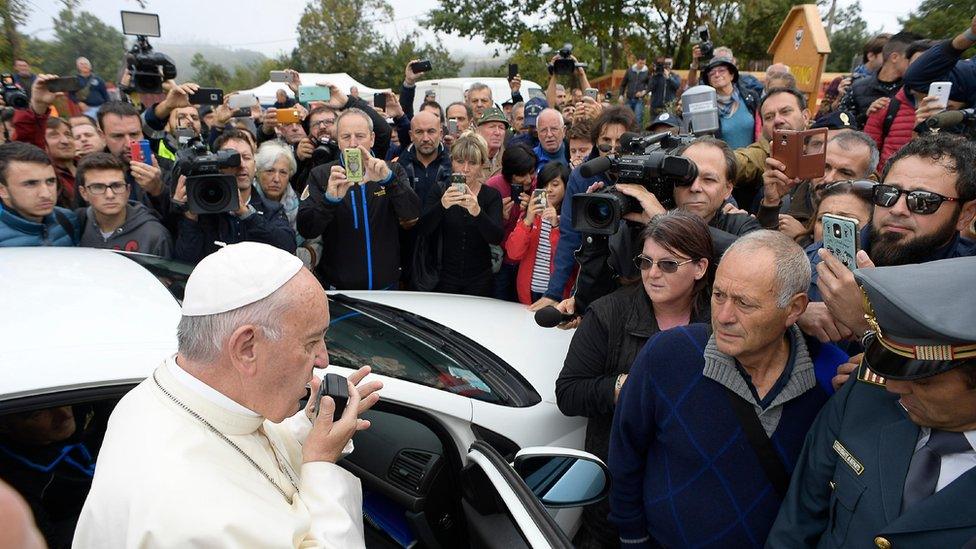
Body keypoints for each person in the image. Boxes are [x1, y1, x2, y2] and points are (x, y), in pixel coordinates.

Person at [73, 242, 383, 548]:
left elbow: (241, 445)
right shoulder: (192, 516)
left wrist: (309, 431)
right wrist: (322, 465)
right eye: (311, 341)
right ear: (247, 348)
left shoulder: (171, 392)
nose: (323, 360)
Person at [608, 230, 848, 548]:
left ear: (794, 309)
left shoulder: (831, 381)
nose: (723, 316)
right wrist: (632, 538)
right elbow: (625, 451)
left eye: (744, 304)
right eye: (719, 295)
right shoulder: (668, 354)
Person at [767, 256, 976, 547]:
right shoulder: (865, 395)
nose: (892, 386)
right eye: (893, 369)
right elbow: (796, 524)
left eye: (923, 380)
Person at [558, 211, 713, 548]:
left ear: (700, 268)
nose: (653, 274)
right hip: (615, 499)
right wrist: (623, 387)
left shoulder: (719, 321)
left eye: (668, 265)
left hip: (687, 494)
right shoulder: (608, 313)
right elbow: (569, 392)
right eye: (645, 262)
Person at [802, 133, 976, 343]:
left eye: (922, 201)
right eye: (888, 193)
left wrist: (867, 326)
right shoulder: (815, 260)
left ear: (965, 214)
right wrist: (796, 315)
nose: (897, 209)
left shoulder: (968, 289)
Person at [297, 108, 420, 290]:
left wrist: (388, 181)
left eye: (360, 136)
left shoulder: (392, 170)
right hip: (340, 290)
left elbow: (413, 213)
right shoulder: (322, 175)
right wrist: (329, 200)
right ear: (338, 141)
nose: (353, 143)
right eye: (346, 137)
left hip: (386, 287)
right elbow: (306, 229)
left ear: (372, 138)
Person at [538, 106, 636, 310]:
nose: (613, 147)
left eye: (620, 141)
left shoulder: (646, 174)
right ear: (596, 142)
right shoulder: (582, 176)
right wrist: (553, 293)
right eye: (606, 141)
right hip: (594, 276)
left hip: (635, 276)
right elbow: (569, 238)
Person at [173, 129, 297, 263]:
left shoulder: (272, 210)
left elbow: (288, 247)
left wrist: (246, 214)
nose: (241, 165)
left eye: (247, 157)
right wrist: (190, 217)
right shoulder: (202, 211)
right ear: (217, 166)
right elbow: (185, 261)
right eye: (231, 158)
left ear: (255, 166)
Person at [0, 404, 102, 549]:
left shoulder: (78, 406)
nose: (64, 414)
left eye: (64, 401)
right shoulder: (19, 487)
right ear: (3, 426)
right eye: (38, 414)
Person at [416, 132, 503, 296]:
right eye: (460, 161)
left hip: (480, 278)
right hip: (443, 277)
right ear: (452, 162)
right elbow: (422, 230)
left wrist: (477, 212)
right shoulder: (439, 189)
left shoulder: (491, 195)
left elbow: (496, 238)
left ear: (482, 164)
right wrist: (442, 205)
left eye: (472, 163)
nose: (465, 169)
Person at [759, 129, 877, 240]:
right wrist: (771, 204)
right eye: (825, 167)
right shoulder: (787, 201)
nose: (829, 179)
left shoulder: (876, 221)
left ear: (868, 180)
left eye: (844, 173)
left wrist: (803, 239)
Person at [76, 152, 172, 257]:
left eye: (117, 186)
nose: (110, 195)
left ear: (128, 190)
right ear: (83, 193)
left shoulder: (154, 235)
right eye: (98, 187)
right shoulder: (78, 223)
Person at [732, 87, 811, 209]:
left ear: (805, 116)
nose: (778, 120)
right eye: (769, 117)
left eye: (785, 111)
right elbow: (740, 160)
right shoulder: (762, 152)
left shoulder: (826, 144)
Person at [504, 160, 570, 305]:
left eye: (555, 184)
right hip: (528, 293)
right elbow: (513, 253)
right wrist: (527, 220)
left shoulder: (570, 218)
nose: (549, 190)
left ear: (566, 186)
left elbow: (566, 256)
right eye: (544, 185)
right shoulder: (529, 216)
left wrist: (555, 225)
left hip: (557, 295)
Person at [254, 141, 323, 269]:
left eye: (283, 172)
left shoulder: (302, 203)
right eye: (269, 171)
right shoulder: (247, 203)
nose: (276, 179)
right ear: (257, 172)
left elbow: (316, 243)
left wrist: (296, 259)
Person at [13, 74, 80, 207]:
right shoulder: (44, 174)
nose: (65, 140)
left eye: (68, 134)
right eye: (54, 135)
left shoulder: (89, 166)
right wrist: (38, 105)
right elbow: (27, 142)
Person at [0, 141, 77, 247]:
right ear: (2, 190)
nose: (46, 194)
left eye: (50, 181)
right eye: (31, 184)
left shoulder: (67, 219)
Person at [839, 31, 922, 127]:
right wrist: (867, 116)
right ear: (894, 57)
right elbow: (841, 126)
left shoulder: (914, 91)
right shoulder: (857, 87)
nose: (917, 64)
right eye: (912, 58)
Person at [702, 55, 760, 150]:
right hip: (725, 162)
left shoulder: (750, 98)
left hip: (751, 160)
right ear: (709, 81)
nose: (717, 75)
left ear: (732, 75)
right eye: (712, 73)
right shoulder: (706, 106)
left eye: (721, 71)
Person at [396, 111, 452, 205]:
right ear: (411, 135)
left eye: (431, 131)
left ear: (441, 134)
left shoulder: (453, 163)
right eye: (419, 132)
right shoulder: (400, 166)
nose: (426, 138)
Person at [618, 54, 651, 127]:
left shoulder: (647, 72)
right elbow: (623, 84)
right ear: (637, 61)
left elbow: (650, 86)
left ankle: (637, 136)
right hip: (629, 99)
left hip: (639, 100)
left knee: (638, 120)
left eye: (644, 63)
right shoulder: (629, 71)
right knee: (626, 119)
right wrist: (621, 95)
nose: (642, 65)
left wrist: (644, 92)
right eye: (640, 63)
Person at [476, 107, 509, 178]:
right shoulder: (470, 158)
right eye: (492, 127)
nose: (497, 132)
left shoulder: (509, 160)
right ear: (479, 131)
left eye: (501, 128)